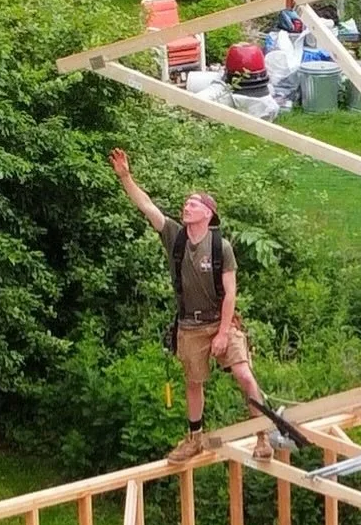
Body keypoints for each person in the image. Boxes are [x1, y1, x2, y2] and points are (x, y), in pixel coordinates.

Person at [110, 148, 273, 464]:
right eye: (186, 203)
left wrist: (224, 333)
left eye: (193, 204)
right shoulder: (175, 236)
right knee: (193, 383)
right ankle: (194, 438)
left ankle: (263, 435)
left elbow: (230, 293)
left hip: (220, 321)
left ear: (208, 213)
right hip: (190, 326)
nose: (186, 206)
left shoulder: (220, 247)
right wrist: (125, 177)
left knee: (243, 374)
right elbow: (146, 206)